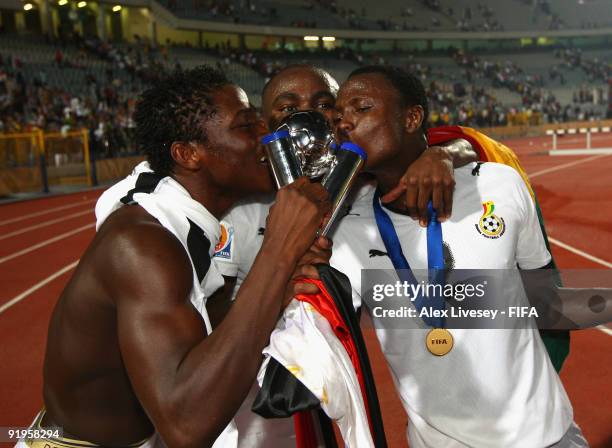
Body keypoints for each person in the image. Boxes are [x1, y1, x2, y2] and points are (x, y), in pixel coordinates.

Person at [215, 63, 567, 446]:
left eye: (326, 106)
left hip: (547, 430)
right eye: (287, 108)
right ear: (267, 127)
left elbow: (467, 145)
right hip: (244, 415)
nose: (315, 120)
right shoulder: (246, 203)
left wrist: (443, 154)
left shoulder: (363, 200)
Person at [22, 66, 331, 448]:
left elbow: (196, 337)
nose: (268, 137)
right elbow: (187, 426)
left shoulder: (182, 220)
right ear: (188, 154)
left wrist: (275, 290)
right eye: (246, 126)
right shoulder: (141, 244)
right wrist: (279, 250)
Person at [329, 65, 585, 447]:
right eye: (337, 116)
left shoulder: (499, 185)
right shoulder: (345, 231)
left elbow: (546, 295)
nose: (344, 123)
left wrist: (534, 387)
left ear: (411, 117)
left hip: (548, 435)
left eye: (361, 108)